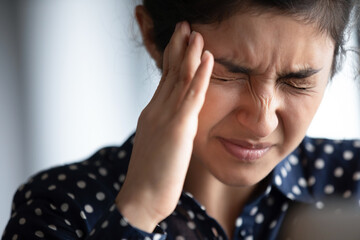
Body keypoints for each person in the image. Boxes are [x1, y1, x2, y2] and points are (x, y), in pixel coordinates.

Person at [2, 0, 360, 239]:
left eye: (297, 82)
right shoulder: (58, 206)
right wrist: (139, 208)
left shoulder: (352, 181)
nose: (262, 121)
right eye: (227, 74)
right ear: (153, 37)